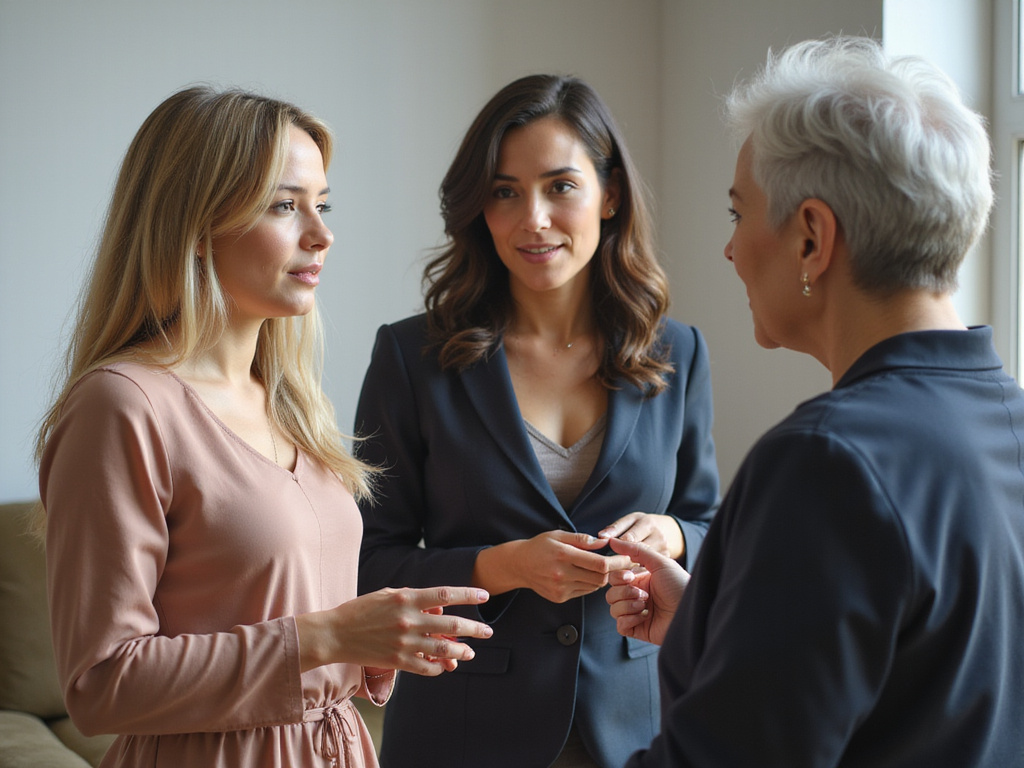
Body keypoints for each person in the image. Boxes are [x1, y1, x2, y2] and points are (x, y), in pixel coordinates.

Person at [34, 86, 495, 768]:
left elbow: (299, 612)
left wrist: (373, 642)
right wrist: (328, 638)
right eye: (284, 205)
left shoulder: (291, 404)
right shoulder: (122, 406)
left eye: (322, 204)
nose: (321, 234)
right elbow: (100, 685)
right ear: (195, 227)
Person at [606, 36, 1024, 767]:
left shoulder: (828, 462)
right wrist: (717, 627)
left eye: (737, 214)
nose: (730, 251)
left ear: (811, 238)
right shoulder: (1007, 423)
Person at [354, 74, 719, 768]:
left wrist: (672, 534)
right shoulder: (411, 356)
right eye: (505, 192)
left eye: (561, 187)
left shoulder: (679, 352)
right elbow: (368, 564)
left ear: (610, 195)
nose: (534, 219)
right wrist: (503, 566)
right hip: (461, 734)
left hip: (638, 729)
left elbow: (710, 524)